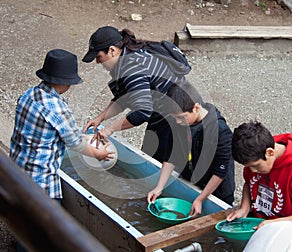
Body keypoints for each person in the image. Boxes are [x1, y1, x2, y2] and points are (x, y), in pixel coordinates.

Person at [10, 49, 113, 202]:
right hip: (40, 181)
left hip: (16, 169)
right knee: (49, 221)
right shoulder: (59, 109)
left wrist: (83, 136)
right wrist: (98, 154)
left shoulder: (28, 95)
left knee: (24, 216)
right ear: (66, 83)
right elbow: (76, 144)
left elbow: (46, 131)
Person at [82, 26, 190, 163]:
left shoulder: (132, 68)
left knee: (159, 165)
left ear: (112, 50)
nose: (98, 62)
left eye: (99, 57)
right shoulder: (131, 52)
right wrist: (100, 118)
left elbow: (143, 112)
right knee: (150, 156)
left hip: (174, 118)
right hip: (163, 111)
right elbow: (125, 98)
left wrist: (109, 129)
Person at [147, 82, 235, 218]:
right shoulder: (181, 123)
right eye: (175, 118)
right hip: (192, 179)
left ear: (196, 108)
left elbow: (220, 172)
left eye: (181, 117)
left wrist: (201, 198)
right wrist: (159, 187)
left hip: (217, 190)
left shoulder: (220, 131)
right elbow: (172, 156)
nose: (178, 122)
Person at [226, 121, 292, 229]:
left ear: (270, 153)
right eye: (248, 167)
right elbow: (248, 183)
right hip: (261, 223)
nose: (253, 171)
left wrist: (274, 224)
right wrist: (245, 206)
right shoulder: (256, 151)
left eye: (256, 166)